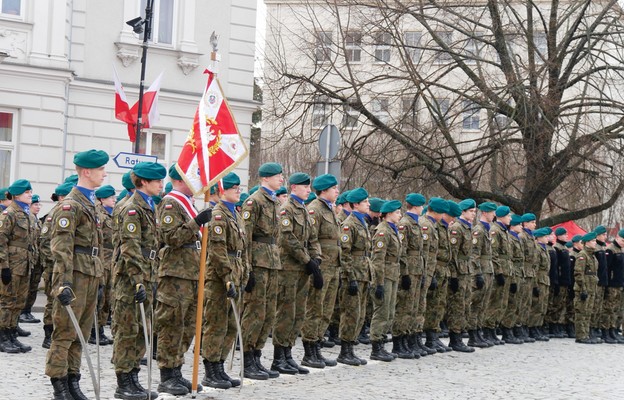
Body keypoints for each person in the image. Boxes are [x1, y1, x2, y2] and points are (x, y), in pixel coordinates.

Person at [45, 150, 108, 400]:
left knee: (81, 332)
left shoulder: (91, 203)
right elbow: (61, 248)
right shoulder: (70, 205)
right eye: (101, 169)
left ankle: (73, 380)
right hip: (74, 276)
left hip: (91, 273)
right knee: (65, 332)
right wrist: (64, 284)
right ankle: (59, 384)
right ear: (86, 172)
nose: (105, 173)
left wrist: (100, 278)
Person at [155, 164, 211, 394]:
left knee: (188, 325)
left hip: (191, 273)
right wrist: (196, 222)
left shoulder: (186, 203)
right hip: (176, 274)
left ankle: (177, 371)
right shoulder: (170, 203)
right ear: (180, 180)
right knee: (172, 324)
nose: (197, 184)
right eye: (193, 179)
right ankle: (167, 374)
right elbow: (171, 237)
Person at [112, 162, 166, 400]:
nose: (161, 185)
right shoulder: (132, 208)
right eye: (157, 181)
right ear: (144, 182)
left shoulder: (148, 206)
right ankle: (124, 382)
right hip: (131, 279)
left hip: (147, 275)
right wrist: (138, 281)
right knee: (128, 329)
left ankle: (133, 377)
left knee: (142, 328)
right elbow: (130, 249)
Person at [200, 172, 248, 389]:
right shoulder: (217, 215)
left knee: (230, 324)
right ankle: (210, 369)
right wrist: (228, 278)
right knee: (216, 322)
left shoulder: (235, 214)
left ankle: (219, 365)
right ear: (222, 190)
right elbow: (218, 250)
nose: (238, 190)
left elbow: (242, 249)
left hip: (236, 272)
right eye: (234, 187)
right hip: (220, 276)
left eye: (239, 187)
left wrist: (244, 273)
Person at [272, 173, 321, 374]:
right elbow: (287, 239)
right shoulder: (287, 209)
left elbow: (313, 238)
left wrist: (316, 259)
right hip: (288, 268)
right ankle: (278, 357)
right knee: (286, 312)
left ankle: (288, 353)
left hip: (302, 269)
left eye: (309, 187)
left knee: (298, 313)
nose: (309, 190)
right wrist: (307, 259)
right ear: (294, 188)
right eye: (305, 186)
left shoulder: (304, 210)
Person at [240, 162, 284, 379]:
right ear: (265, 178)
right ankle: (247, 358)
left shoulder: (274, 201)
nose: (281, 179)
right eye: (278, 176)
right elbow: (245, 238)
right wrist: (246, 269)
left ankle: (257, 356)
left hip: (272, 261)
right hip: (257, 262)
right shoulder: (254, 201)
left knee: (267, 312)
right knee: (255, 312)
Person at [301, 174, 340, 368]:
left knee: (326, 309)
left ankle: (317, 345)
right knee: (315, 308)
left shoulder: (329, 209)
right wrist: (314, 264)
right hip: (321, 266)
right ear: (324, 190)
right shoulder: (315, 209)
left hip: (333, 266)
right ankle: (309, 350)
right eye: (334, 188)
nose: (337, 191)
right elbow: (311, 238)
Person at [338, 188, 373, 366]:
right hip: (354, 274)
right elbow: (344, 253)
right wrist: (349, 277)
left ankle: (351, 347)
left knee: (359, 313)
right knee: (351, 312)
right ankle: (345, 350)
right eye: (365, 202)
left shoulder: (363, 222)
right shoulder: (349, 224)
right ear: (356, 204)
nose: (369, 204)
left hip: (363, 273)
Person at [0, 179, 35, 354]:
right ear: (17, 194)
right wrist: (4, 267)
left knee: (18, 302)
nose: (30, 194)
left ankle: (12, 334)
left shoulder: (25, 214)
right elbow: (1, 241)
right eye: (27, 192)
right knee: (7, 301)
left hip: (24, 266)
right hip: (11, 266)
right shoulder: (10, 214)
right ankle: (2, 337)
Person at [40, 182, 74, 349]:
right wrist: (54, 262)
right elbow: (45, 242)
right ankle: (48, 333)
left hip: (64, 265)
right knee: (52, 300)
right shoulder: (55, 214)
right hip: (53, 266)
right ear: (61, 197)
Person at [369, 200, 403, 362]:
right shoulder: (383, 231)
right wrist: (379, 283)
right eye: (397, 212)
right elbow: (378, 259)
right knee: (382, 311)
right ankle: (376, 347)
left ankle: (382, 343)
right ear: (389, 214)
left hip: (393, 274)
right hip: (384, 276)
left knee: (389, 312)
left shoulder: (392, 230)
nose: (400, 215)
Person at [394, 193, 427, 357]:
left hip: (417, 270)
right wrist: (405, 273)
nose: (422, 209)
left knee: (415, 307)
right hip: (409, 272)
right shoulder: (405, 224)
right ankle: (399, 342)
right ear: (416, 206)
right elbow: (402, 251)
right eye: (421, 206)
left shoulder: (416, 223)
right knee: (404, 307)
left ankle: (409, 339)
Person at [447, 199, 478, 352]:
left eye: (474, 211)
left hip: (466, 270)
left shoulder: (468, 228)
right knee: (457, 305)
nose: (474, 214)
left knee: (465, 303)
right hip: (458, 271)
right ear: (463, 212)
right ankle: (455, 338)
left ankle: (459, 334)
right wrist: (453, 275)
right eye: (471, 211)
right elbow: (452, 254)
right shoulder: (457, 228)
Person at [88, 185, 116, 346]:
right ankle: (93, 331)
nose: (114, 200)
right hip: (102, 259)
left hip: (111, 260)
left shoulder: (112, 214)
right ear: (102, 199)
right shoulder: (98, 214)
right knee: (99, 297)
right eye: (111, 197)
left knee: (107, 298)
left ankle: (100, 328)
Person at [468, 202, 498, 346]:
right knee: (476, 304)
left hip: (488, 270)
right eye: (492, 212)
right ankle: (473, 335)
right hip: (482, 271)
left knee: (483, 304)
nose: (494, 215)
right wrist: (477, 273)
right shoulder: (479, 230)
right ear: (485, 213)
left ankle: (479, 332)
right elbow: (474, 255)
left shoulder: (486, 230)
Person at [484, 205, 513, 344]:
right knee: (494, 302)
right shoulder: (495, 230)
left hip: (507, 270)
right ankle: (488, 330)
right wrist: (499, 272)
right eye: (508, 216)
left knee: (501, 302)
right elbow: (494, 254)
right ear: (501, 217)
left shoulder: (504, 231)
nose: (510, 218)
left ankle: (493, 329)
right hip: (499, 271)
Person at [500, 214, 525, 344]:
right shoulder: (510, 237)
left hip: (517, 272)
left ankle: (513, 328)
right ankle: (507, 330)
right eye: (519, 224)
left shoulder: (516, 239)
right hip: (512, 271)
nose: (521, 227)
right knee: (510, 303)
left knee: (516, 303)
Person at [20, 194, 42, 324]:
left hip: (35, 259)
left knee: (33, 287)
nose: (38, 207)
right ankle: (23, 312)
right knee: (27, 287)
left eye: (39, 205)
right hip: (28, 259)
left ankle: (27, 311)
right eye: (35, 204)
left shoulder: (36, 220)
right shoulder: (28, 218)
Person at [516, 213, 538, 343]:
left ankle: (524, 327)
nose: (534, 224)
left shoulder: (531, 237)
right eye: (532, 222)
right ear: (525, 223)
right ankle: (518, 327)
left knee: (527, 303)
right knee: (521, 302)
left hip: (531, 273)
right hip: (524, 271)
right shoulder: (522, 237)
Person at [574, 232, 599, 344]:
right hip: (584, 288)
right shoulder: (582, 255)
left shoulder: (591, 255)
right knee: (581, 311)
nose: (595, 243)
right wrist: (583, 288)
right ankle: (581, 335)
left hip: (591, 288)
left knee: (588, 312)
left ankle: (586, 334)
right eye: (593, 241)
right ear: (587, 242)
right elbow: (579, 273)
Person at [529, 228, 551, 341]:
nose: (548, 238)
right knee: (536, 305)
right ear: (539, 238)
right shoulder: (537, 249)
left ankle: (538, 327)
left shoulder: (544, 249)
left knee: (542, 306)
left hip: (544, 279)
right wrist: (535, 285)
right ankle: (532, 328)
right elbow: (535, 268)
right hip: (539, 279)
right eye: (545, 236)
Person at [604, 229, 624, 343]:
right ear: (617, 237)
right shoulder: (610, 249)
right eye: (623, 240)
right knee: (609, 309)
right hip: (612, 284)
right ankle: (606, 331)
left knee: (618, 309)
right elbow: (607, 268)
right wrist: (607, 284)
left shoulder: (621, 250)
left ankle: (614, 330)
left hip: (620, 283)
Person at [592, 225, 608, 342]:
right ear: (597, 236)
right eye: (603, 235)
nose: (605, 237)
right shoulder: (595, 248)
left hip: (602, 281)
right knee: (593, 306)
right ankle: (591, 328)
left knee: (599, 307)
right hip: (596, 282)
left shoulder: (602, 248)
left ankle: (596, 327)